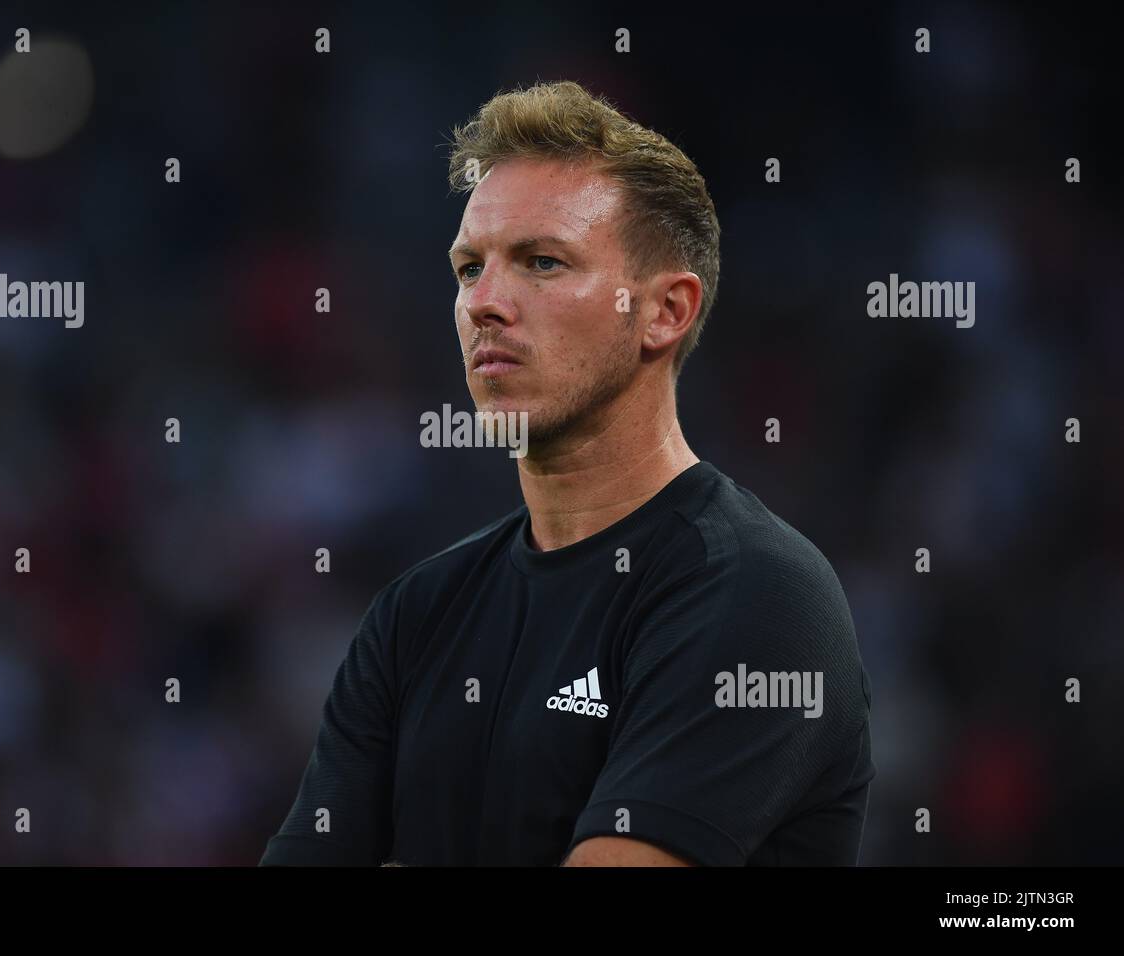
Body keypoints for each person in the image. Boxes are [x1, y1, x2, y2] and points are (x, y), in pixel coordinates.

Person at [260, 80, 874, 866]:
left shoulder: (758, 592)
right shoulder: (413, 618)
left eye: (542, 262)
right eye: (468, 267)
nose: (485, 302)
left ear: (665, 312)